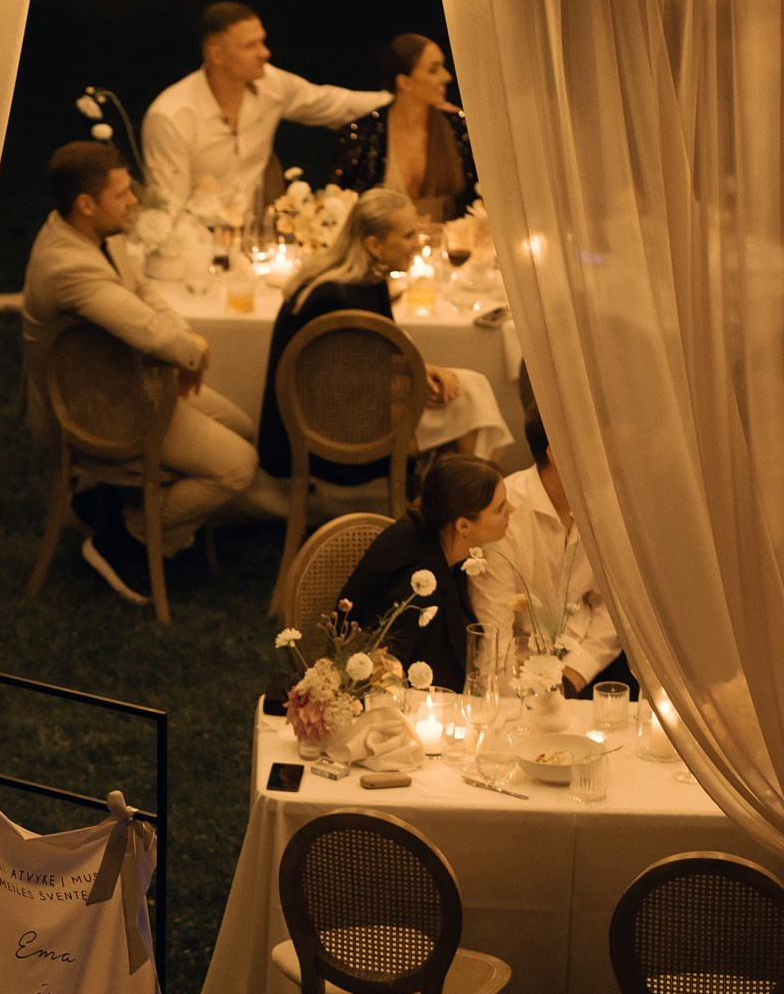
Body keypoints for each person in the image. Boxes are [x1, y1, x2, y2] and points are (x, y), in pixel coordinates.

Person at [21, 142, 282, 604]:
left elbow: (143, 292)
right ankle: (126, 538)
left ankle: (114, 504)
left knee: (241, 427)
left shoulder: (96, 233)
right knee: (237, 467)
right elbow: (147, 332)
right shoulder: (69, 267)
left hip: (120, 381)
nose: (133, 202)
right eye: (121, 193)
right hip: (92, 409)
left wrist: (188, 340)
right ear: (86, 204)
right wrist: (190, 352)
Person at [257, 187, 511, 496]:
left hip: (339, 420)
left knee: (469, 389)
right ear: (374, 245)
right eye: (408, 236)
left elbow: (368, 366)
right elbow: (348, 392)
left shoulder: (357, 281)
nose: (417, 244)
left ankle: (456, 503)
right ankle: (471, 505)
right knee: (469, 399)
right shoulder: (335, 300)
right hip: (330, 441)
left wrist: (422, 371)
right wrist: (417, 384)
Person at [141, 2, 391, 215]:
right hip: (194, 245)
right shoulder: (171, 116)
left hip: (255, 238)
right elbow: (169, 211)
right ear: (216, 55)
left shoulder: (271, 85)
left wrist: (396, 98)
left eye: (262, 41)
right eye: (250, 46)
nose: (265, 53)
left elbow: (333, 103)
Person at [472, 407, 626, 694]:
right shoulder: (503, 513)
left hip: (585, 669)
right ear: (557, 455)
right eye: (601, 446)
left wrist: (576, 672)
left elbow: (616, 604)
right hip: (516, 675)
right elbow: (494, 630)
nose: (614, 457)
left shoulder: (608, 507)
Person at [341, 455, 511, 691]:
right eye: (500, 508)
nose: (512, 510)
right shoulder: (418, 586)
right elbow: (386, 681)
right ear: (463, 525)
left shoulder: (440, 541)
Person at [330, 35, 478, 222]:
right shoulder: (363, 136)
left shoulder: (457, 128)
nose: (447, 77)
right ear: (404, 82)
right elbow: (341, 211)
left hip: (453, 239)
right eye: (433, 70)